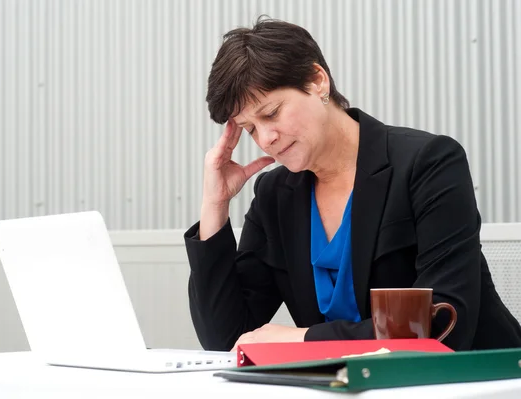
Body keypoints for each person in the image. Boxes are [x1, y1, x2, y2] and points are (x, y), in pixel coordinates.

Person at [183, 16, 521, 352]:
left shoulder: (428, 163)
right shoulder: (275, 195)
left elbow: (445, 324)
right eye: (250, 128)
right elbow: (226, 339)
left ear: (317, 81)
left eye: (271, 113)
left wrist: (303, 339)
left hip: (476, 381)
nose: (266, 138)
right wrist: (215, 205)